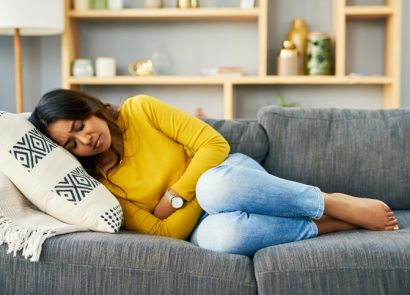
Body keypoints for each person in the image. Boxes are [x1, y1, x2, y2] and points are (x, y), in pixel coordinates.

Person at [29, 89, 400, 256]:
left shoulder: (140, 110)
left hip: (232, 180)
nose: (86, 140)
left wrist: (174, 196)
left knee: (214, 189)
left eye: (79, 125)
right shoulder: (100, 185)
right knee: (225, 239)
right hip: (201, 224)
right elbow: (166, 232)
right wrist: (188, 200)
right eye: (71, 145)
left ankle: (329, 201)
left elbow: (215, 147)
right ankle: (331, 223)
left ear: (88, 107)